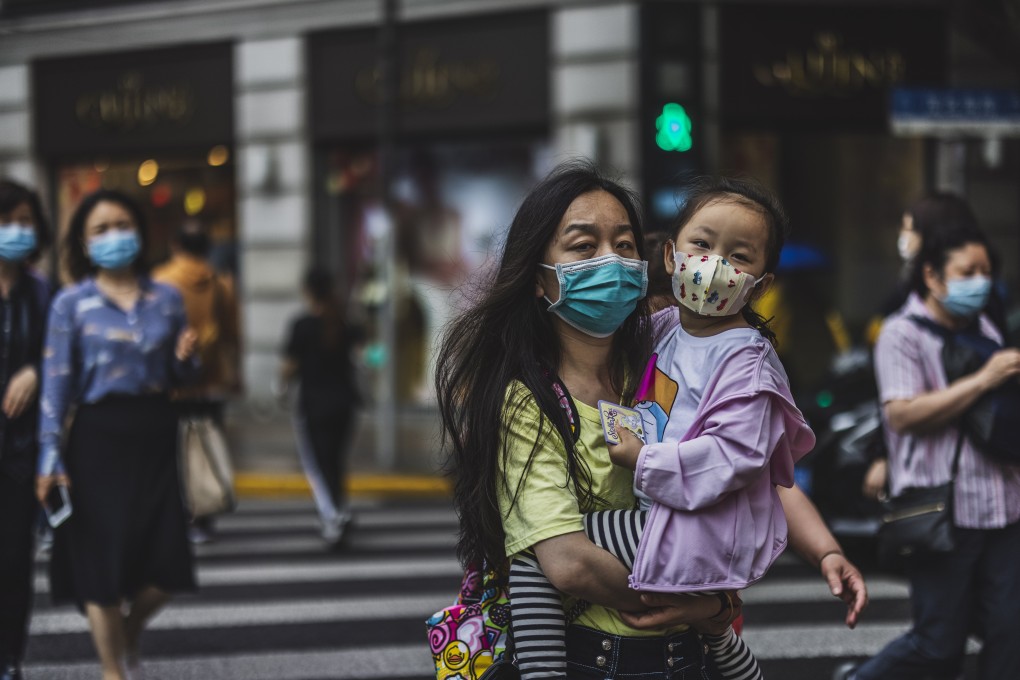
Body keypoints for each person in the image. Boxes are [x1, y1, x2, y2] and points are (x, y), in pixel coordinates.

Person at [436, 162, 868, 680]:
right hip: (599, 661)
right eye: (582, 246)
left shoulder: (659, 358)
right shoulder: (535, 400)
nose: (611, 262)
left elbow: (754, 472)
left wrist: (818, 554)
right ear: (537, 277)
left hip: (681, 652)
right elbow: (569, 563)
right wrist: (702, 606)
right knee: (535, 564)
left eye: (623, 244)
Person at [836, 200, 1020, 680]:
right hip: (941, 510)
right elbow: (902, 414)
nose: (979, 281)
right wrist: (983, 380)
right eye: (967, 271)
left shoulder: (985, 326)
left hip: (1004, 505)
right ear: (934, 277)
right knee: (939, 645)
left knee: (1010, 635)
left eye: (985, 270)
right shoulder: (902, 333)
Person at [35, 189, 199, 680]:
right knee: (99, 561)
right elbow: (56, 383)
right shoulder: (70, 304)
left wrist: (187, 361)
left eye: (122, 225)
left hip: (153, 432)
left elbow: (180, 376)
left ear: (140, 233)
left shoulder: (167, 298)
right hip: (96, 438)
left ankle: (125, 635)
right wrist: (49, 455)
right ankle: (114, 670)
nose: (114, 237)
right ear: (84, 244)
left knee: (168, 563)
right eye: (100, 229)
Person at [153, 219, 240, 543]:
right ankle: (203, 515)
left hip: (170, 383)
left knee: (174, 452)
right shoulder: (220, 283)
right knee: (204, 448)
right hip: (209, 382)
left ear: (176, 245)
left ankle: (181, 514)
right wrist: (232, 375)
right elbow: (232, 334)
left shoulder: (160, 281)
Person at [0, 179, 51, 680]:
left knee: (14, 564)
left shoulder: (41, 291)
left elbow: (60, 361)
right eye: (6, 219)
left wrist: (36, 369)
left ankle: (10, 658)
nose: (15, 230)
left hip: (19, 452)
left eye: (23, 220)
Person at [280, 267, 362, 547]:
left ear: (308, 291)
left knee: (317, 464)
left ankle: (332, 515)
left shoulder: (302, 325)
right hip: (345, 403)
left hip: (314, 405)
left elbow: (289, 367)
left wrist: (280, 388)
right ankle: (339, 508)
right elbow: (365, 356)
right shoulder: (343, 322)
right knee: (336, 461)